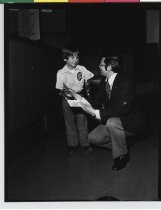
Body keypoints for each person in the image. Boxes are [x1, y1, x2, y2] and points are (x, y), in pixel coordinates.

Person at [84, 56, 146, 170]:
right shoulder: (104, 82)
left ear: (109, 67)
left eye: (101, 65)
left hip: (131, 122)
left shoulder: (126, 81)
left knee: (112, 122)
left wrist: (98, 114)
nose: (99, 66)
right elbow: (95, 101)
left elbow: (122, 110)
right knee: (93, 138)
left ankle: (122, 156)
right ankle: (123, 147)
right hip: (114, 121)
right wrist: (80, 100)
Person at [55, 44, 94, 154]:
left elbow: (89, 79)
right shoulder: (61, 73)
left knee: (82, 120)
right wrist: (68, 94)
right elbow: (60, 88)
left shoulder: (81, 69)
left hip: (80, 97)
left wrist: (87, 85)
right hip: (66, 99)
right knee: (69, 122)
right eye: (72, 57)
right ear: (65, 59)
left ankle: (85, 144)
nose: (76, 59)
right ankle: (73, 145)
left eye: (77, 56)